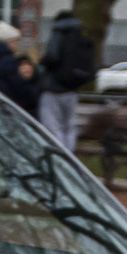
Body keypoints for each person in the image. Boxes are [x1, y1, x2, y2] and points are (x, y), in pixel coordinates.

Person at [38, 9, 94, 150]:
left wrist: (42, 61)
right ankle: (70, 160)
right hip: (72, 90)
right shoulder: (80, 35)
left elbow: (52, 57)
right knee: (69, 128)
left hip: (54, 88)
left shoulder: (58, 33)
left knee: (52, 127)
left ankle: (60, 161)